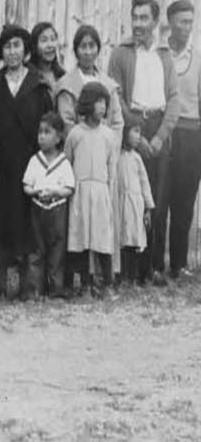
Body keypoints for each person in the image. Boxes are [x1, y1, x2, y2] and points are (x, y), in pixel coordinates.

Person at [108, 0, 179, 286]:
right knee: (130, 198)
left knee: (157, 201)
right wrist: (134, 134)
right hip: (131, 126)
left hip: (159, 126)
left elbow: (173, 99)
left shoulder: (165, 55)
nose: (138, 24)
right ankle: (128, 270)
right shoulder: (120, 54)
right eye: (135, 17)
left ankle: (152, 268)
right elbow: (116, 97)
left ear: (155, 21)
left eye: (144, 18)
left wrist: (160, 138)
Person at [0, 24, 53, 299]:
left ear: (25, 50)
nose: (12, 52)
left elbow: (48, 127)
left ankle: (30, 285)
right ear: (1, 52)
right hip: (1, 167)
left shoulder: (38, 87)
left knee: (29, 224)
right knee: (1, 221)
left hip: (30, 164)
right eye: (7, 47)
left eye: (17, 46)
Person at [55, 25, 125, 278]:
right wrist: (87, 135)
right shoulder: (67, 86)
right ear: (76, 51)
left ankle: (106, 274)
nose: (87, 51)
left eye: (92, 46)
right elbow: (66, 123)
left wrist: (106, 145)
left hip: (103, 162)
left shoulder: (109, 86)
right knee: (80, 221)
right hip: (82, 163)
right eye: (82, 46)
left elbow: (117, 122)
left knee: (103, 221)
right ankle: (81, 275)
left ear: (98, 49)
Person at [64, 82, 116, 296]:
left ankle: (107, 283)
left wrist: (109, 193)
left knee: (102, 238)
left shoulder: (108, 135)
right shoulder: (75, 134)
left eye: (105, 102)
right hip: (81, 193)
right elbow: (67, 163)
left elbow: (111, 167)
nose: (102, 107)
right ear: (88, 104)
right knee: (83, 238)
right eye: (98, 102)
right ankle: (85, 283)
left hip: (101, 192)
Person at [165, 0, 201, 278]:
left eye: (190, 21)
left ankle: (178, 264)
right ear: (170, 23)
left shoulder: (198, 56)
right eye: (182, 21)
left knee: (184, 201)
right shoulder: (160, 54)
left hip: (191, 134)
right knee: (159, 198)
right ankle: (150, 265)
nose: (186, 27)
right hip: (164, 132)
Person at [22, 112, 75, 299]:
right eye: (40, 132)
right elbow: (26, 185)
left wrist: (55, 192)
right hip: (38, 209)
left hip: (57, 210)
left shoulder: (63, 162)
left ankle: (55, 290)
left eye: (47, 132)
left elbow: (69, 188)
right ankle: (35, 289)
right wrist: (34, 191)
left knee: (57, 250)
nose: (42, 137)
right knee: (37, 250)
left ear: (58, 137)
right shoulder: (35, 161)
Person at [118, 119, 155, 285]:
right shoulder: (116, 156)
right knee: (121, 240)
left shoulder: (137, 158)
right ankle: (121, 276)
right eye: (135, 131)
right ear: (125, 132)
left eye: (140, 132)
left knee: (134, 240)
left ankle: (133, 277)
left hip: (135, 206)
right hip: (120, 204)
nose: (138, 136)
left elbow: (144, 183)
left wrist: (148, 208)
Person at [29, 22, 66, 98]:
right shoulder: (28, 76)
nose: (50, 45)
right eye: (44, 40)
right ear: (34, 45)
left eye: (53, 39)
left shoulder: (62, 76)